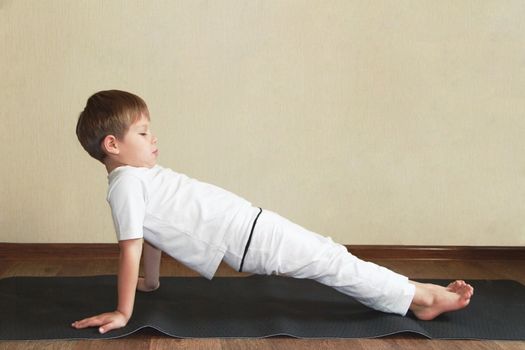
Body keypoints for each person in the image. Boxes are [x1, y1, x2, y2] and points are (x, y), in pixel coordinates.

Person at [71, 90, 474, 334]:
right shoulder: (127, 183)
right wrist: (125, 311)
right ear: (112, 144)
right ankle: (420, 298)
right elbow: (132, 247)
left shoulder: (140, 178)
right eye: (142, 132)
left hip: (250, 229)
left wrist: (152, 283)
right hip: (250, 237)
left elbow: (150, 234)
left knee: (331, 257)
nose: (153, 137)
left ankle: (415, 293)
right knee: (332, 259)